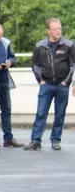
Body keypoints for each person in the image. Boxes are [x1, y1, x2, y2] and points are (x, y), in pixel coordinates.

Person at [24, 17, 75, 151]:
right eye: (55, 29)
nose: (58, 31)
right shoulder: (40, 46)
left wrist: (67, 82)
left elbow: (73, 64)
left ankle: (56, 140)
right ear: (48, 31)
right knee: (41, 113)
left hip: (62, 85)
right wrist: (40, 80)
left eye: (59, 28)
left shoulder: (68, 45)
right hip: (46, 84)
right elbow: (34, 64)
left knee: (60, 114)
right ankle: (35, 140)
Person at [0, 24, 22, 148]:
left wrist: (9, 62)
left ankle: (8, 138)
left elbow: (12, 57)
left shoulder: (6, 43)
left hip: (4, 80)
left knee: (6, 109)